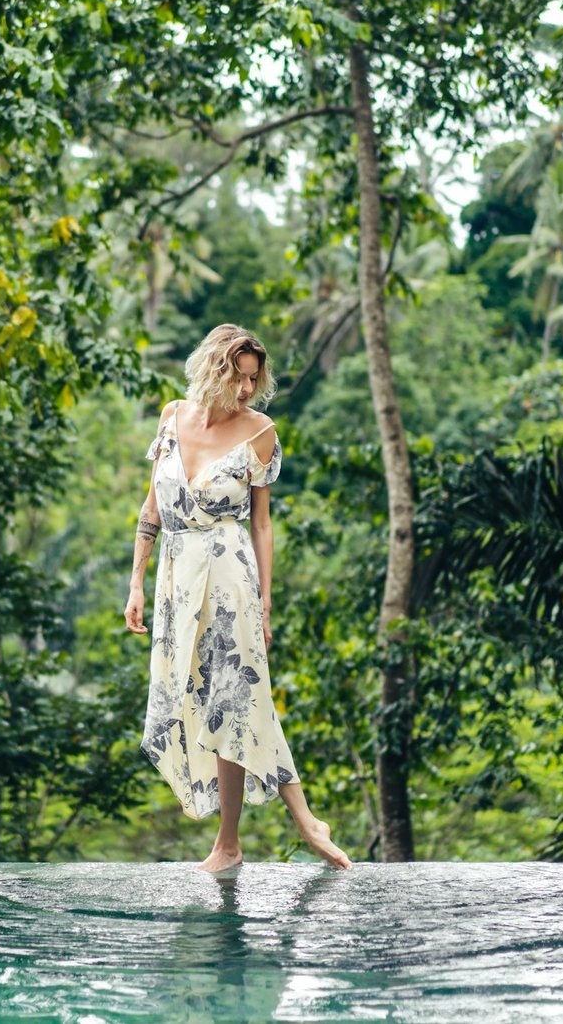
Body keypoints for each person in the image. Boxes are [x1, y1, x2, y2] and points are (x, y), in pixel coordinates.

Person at [125, 324, 352, 872]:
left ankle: (267, 831)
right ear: (211, 367)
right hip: (176, 578)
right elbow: (151, 507)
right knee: (205, 699)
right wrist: (136, 579)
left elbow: (263, 525)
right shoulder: (172, 417)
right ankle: (240, 841)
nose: (247, 389)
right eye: (237, 375)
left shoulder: (260, 432)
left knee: (235, 695)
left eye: (255, 378)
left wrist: (265, 602)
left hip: (230, 575)